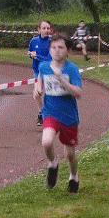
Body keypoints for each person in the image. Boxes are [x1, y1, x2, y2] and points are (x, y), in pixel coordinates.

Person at [33, 32, 84, 193]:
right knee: (46, 141)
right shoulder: (44, 66)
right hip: (50, 112)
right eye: (53, 47)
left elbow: (78, 93)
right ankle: (53, 164)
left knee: (69, 153)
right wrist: (38, 88)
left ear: (68, 51)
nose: (56, 50)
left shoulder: (72, 69)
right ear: (49, 50)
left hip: (68, 116)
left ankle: (73, 177)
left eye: (61, 47)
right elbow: (40, 80)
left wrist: (62, 80)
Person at [27, 19, 54, 125]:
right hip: (37, 72)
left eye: (48, 28)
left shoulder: (52, 41)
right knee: (37, 93)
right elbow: (30, 52)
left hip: (50, 72)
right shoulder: (33, 41)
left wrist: (36, 56)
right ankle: (41, 114)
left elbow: (49, 59)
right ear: (39, 29)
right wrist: (30, 55)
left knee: (51, 95)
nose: (46, 30)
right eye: (44, 28)